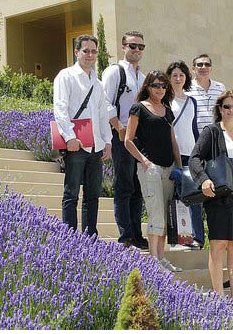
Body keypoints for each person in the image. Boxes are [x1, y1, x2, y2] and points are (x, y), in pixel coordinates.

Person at [189, 90, 233, 298]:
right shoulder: (211, 131)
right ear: (220, 109)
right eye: (226, 106)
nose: (231, 110)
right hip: (220, 194)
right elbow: (194, 158)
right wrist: (203, 179)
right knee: (219, 244)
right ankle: (219, 296)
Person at [53, 34, 112, 237]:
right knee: (71, 194)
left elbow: (103, 113)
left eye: (93, 51)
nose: (90, 54)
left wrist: (107, 140)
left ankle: (90, 238)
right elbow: (60, 108)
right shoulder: (66, 76)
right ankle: (69, 238)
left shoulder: (98, 81)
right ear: (76, 52)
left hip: (95, 144)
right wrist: (69, 136)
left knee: (93, 195)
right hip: (76, 143)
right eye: (85, 50)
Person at [124, 70, 183, 272]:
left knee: (166, 215)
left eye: (164, 86)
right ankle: (154, 261)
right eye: (156, 85)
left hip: (169, 168)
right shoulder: (138, 109)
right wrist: (144, 161)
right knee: (156, 213)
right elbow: (128, 141)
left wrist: (179, 167)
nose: (160, 89)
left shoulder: (167, 110)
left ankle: (162, 257)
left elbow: (173, 141)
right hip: (150, 168)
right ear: (148, 86)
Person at [101, 31, 147, 249]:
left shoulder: (143, 77)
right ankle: (125, 236)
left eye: (140, 47)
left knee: (138, 188)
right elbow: (105, 103)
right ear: (123, 47)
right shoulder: (115, 72)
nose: (136, 50)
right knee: (124, 185)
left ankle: (137, 234)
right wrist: (118, 127)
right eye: (132, 46)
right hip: (121, 136)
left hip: (139, 139)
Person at [165, 60, 204, 249]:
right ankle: (179, 238)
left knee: (194, 197)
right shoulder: (165, 100)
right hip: (173, 154)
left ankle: (197, 238)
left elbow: (193, 128)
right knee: (175, 196)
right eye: (174, 75)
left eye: (181, 75)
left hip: (191, 154)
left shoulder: (192, 101)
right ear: (169, 78)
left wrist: (200, 153)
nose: (178, 78)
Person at [186, 53, 225, 134]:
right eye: (200, 64)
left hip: (216, 137)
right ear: (193, 69)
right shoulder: (186, 88)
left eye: (207, 64)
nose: (204, 67)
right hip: (194, 138)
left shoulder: (220, 88)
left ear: (211, 69)